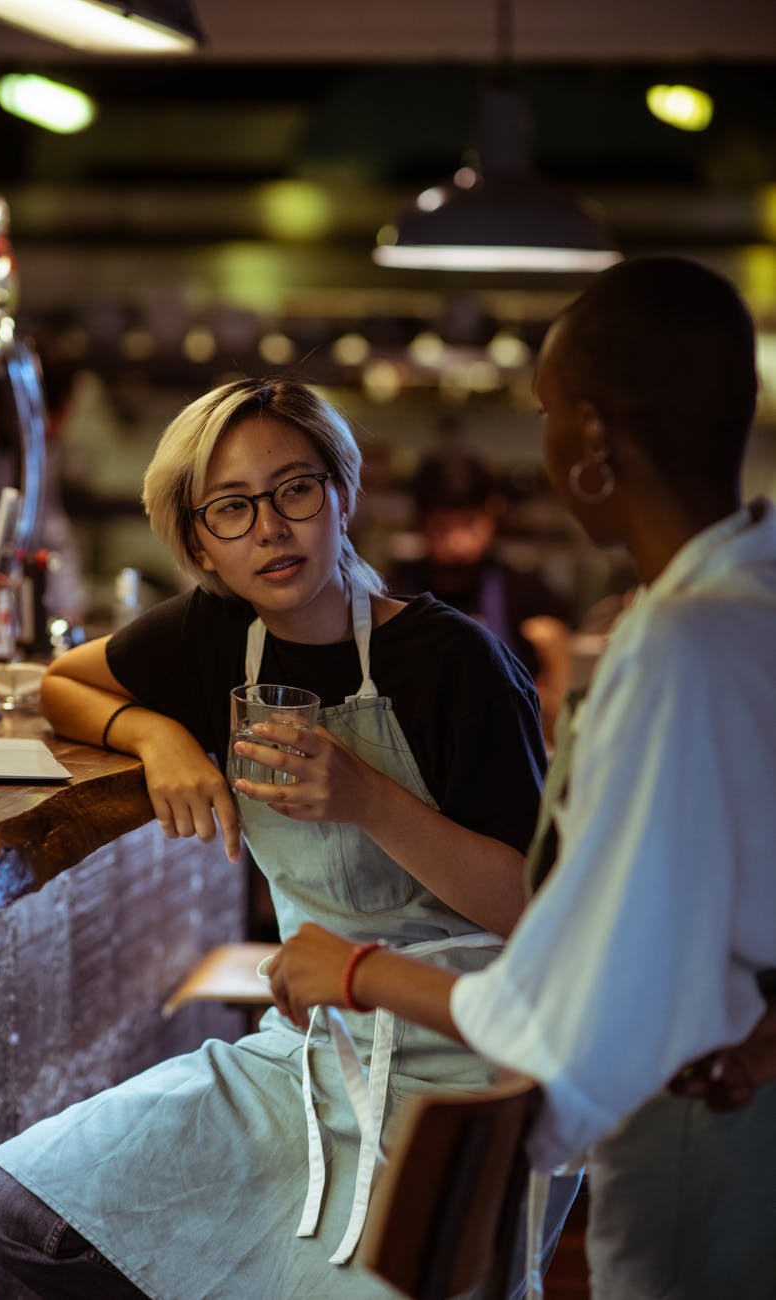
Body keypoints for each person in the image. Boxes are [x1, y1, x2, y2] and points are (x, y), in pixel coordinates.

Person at [0, 377, 579, 1299]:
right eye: (231, 508)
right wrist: (158, 735)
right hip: (313, 1054)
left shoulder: (456, 662)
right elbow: (63, 683)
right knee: (12, 1210)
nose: (270, 528)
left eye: (295, 490)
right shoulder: (215, 637)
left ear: (341, 495)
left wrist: (366, 797)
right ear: (199, 541)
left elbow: (536, 918)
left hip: (466, 1069)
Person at [268, 258, 776, 1300]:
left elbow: (575, 997)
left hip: (702, 1123)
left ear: (591, 440)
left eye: (546, 415)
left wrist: (359, 973)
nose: (543, 446)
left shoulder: (676, 642)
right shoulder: (752, 593)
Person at [387, 452, 572, 741]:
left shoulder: (525, 591)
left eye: (470, 524)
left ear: (493, 513)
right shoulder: (393, 592)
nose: (458, 542)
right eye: (443, 527)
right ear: (420, 522)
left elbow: (560, 685)